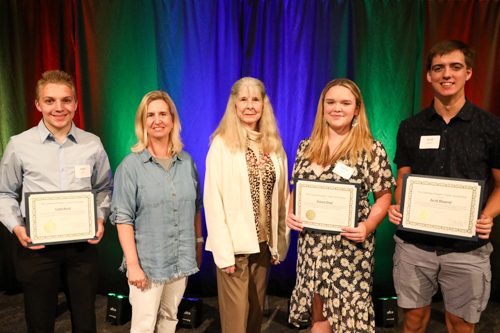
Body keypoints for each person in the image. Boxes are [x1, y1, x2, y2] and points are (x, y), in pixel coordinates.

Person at [388, 40, 500, 333]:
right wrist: (398, 206)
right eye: (438, 68)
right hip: (415, 245)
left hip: (468, 248)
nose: (446, 74)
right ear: (428, 75)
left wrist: (487, 216)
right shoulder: (410, 126)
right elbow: (403, 179)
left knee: (460, 326)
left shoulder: (491, 127)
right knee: (412, 322)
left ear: (469, 73)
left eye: (455, 67)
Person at [0, 70, 113, 332]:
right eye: (50, 101)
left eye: (66, 100)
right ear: (38, 104)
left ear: (75, 103)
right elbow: (5, 193)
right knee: (40, 323)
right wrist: (17, 227)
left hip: (81, 247)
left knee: (86, 321)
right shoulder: (19, 144)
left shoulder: (92, 144)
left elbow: (104, 188)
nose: (59, 108)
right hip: (36, 247)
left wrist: (99, 217)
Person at [287, 78, 395, 333]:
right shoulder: (306, 147)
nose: (337, 108)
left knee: (349, 322)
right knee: (318, 316)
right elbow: (296, 190)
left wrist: (368, 226)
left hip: (350, 249)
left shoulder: (371, 149)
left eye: (345, 103)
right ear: (322, 108)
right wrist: (290, 213)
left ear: (357, 109)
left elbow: (384, 197)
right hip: (312, 249)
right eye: (331, 102)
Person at [110, 90, 203, 332]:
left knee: (170, 319)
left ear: (173, 120)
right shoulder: (130, 167)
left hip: (181, 260)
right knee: (143, 324)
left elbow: (196, 208)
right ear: (142, 122)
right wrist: (132, 264)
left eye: (163, 114)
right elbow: (123, 219)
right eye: (150, 115)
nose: (157, 120)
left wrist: (198, 245)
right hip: (147, 265)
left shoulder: (187, 163)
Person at [204, 77, 290, 333]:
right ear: (234, 104)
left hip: (263, 245)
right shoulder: (222, 144)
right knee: (236, 319)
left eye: (256, 99)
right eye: (243, 99)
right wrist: (223, 252)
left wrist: (279, 244)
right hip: (235, 246)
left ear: (264, 104)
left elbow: (282, 197)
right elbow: (212, 200)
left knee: (254, 314)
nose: (250, 105)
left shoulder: (273, 146)